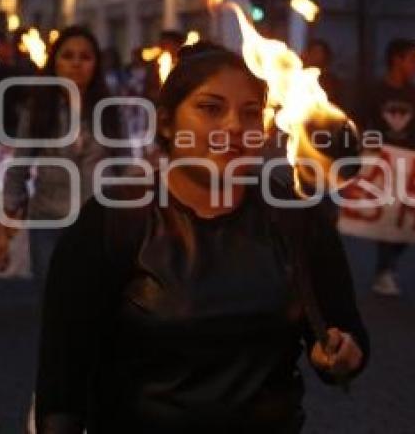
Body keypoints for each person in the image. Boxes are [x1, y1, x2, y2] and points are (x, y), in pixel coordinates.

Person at [34, 43, 369, 433]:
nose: (233, 127)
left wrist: (343, 354)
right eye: (210, 108)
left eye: (249, 114)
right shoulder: (112, 221)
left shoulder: (297, 218)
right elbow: (62, 381)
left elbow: (345, 333)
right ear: (167, 123)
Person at [3, 26, 123, 284]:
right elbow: (20, 162)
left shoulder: (111, 109)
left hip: (99, 223)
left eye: (85, 57)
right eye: (68, 56)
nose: (76, 64)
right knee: (52, 299)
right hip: (48, 220)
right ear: (55, 62)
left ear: (96, 64)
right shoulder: (38, 108)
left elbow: (124, 165)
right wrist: (11, 205)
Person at [360, 38, 415, 296]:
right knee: (388, 218)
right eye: (412, 59)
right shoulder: (375, 92)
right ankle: (385, 272)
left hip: (413, 164)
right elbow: (359, 124)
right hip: (383, 163)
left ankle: (388, 265)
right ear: (396, 59)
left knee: (412, 219)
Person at [302, 39, 345, 109]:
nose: (314, 56)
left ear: (326, 56)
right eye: (312, 52)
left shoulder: (330, 80)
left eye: (318, 52)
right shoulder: (299, 76)